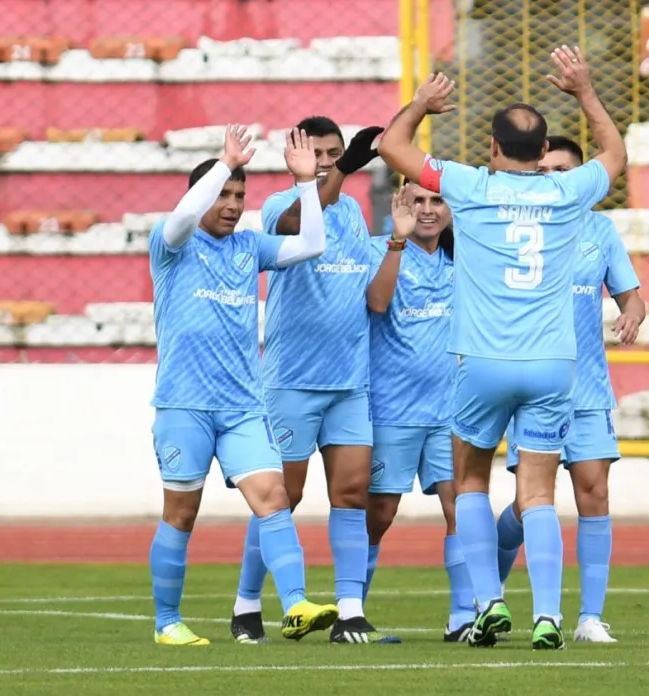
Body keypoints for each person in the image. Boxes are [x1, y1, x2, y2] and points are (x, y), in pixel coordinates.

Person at [377, 45, 628, 650]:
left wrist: (422, 104)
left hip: (482, 362)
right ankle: (549, 617)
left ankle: (488, 603)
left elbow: (391, 146)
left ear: (492, 147)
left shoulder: (469, 185)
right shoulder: (567, 192)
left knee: (469, 483)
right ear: (543, 154)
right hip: (552, 364)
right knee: (537, 493)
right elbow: (615, 154)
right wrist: (584, 92)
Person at [148, 125, 337, 646]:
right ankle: (167, 622)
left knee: (274, 497)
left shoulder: (249, 247)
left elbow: (312, 244)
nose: (232, 205)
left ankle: (295, 604)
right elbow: (184, 216)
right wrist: (224, 164)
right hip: (184, 405)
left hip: (242, 409)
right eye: (223, 194)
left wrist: (306, 184)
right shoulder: (171, 244)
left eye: (239, 195)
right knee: (181, 514)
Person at [232, 116, 399, 644]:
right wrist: (344, 168)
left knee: (351, 494)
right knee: (282, 496)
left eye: (333, 153)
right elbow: (299, 223)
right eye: (316, 152)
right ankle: (246, 605)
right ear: (294, 155)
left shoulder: (353, 213)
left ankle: (350, 611)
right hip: (292, 380)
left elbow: (368, 293)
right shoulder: (280, 206)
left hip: (349, 381)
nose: (325, 161)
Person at [496, 134, 645, 644]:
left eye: (564, 170)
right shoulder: (518, 229)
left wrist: (632, 313)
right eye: (544, 170)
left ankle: (589, 618)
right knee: (528, 505)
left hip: (587, 389)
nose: (554, 179)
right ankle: (491, 589)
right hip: (535, 386)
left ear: (583, 179)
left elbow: (631, 295)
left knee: (595, 494)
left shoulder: (600, 231)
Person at [364, 182, 476, 642]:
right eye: (417, 202)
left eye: (437, 201)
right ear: (400, 205)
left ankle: (462, 617)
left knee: (460, 507)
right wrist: (398, 238)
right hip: (392, 409)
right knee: (380, 514)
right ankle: (352, 610)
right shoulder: (380, 249)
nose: (427, 211)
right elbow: (377, 302)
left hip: (451, 410)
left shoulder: (462, 259)